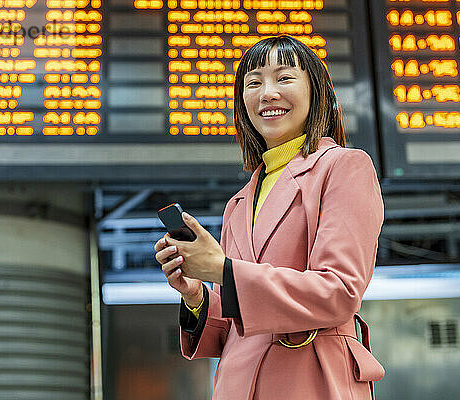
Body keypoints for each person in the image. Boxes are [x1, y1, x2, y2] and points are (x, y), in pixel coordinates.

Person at [154, 35, 385, 400]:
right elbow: (234, 325)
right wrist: (197, 295)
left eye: (284, 78)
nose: (268, 93)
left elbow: (339, 292)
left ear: (317, 91)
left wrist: (221, 271)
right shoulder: (239, 203)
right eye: (254, 83)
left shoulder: (343, 167)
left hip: (311, 380)